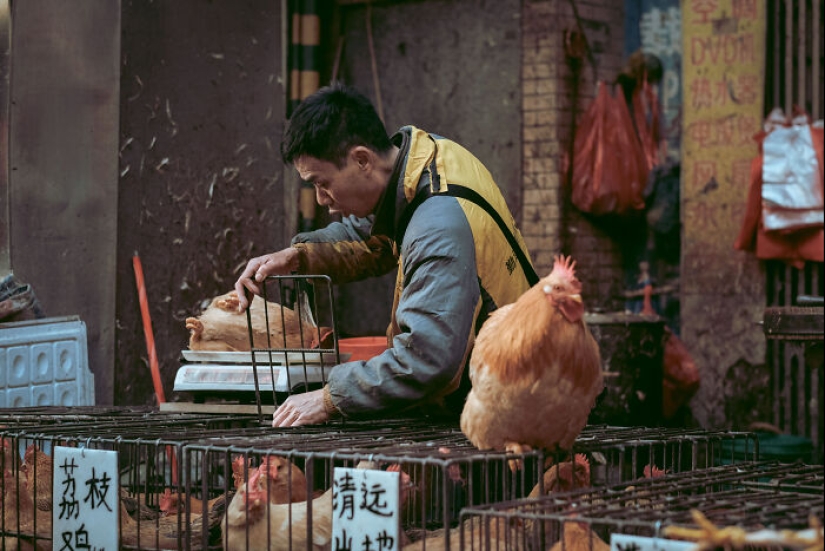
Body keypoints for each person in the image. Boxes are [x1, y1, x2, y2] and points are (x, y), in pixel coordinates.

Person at [234, 82, 537, 427]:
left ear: (362, 159)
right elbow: (375, 232)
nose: (320, 199)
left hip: (514, 412)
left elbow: (427, 361)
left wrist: (330, 397)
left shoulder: (438, 227)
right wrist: (298, 256)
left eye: (322, 183)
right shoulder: (431, 159)